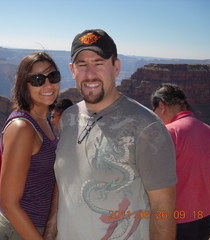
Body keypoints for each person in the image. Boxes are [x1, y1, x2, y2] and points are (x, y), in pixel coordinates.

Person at [44, 29, 177, 240]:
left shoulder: (147, 127)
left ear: (116, 67)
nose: (90, 74)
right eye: (82, 65)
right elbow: (64, 183)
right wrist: (50, 231)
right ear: (72, 70)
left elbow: (163, 208)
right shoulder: (68, 118)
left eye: (99, 63)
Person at [0, 52, 60, 240]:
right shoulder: (23, 128)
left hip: (33, 225)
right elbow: (8, 203)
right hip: (19, 229)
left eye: (53, 77)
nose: (48, 85)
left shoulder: (44, 119)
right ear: (24, 85)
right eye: (37, 79)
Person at [151, 83, 210, 240]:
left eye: (155, 112)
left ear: (161, 106)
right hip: (205, 216)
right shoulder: (209, 130)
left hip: (177, 219)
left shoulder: (170, 132)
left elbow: (152, 178)